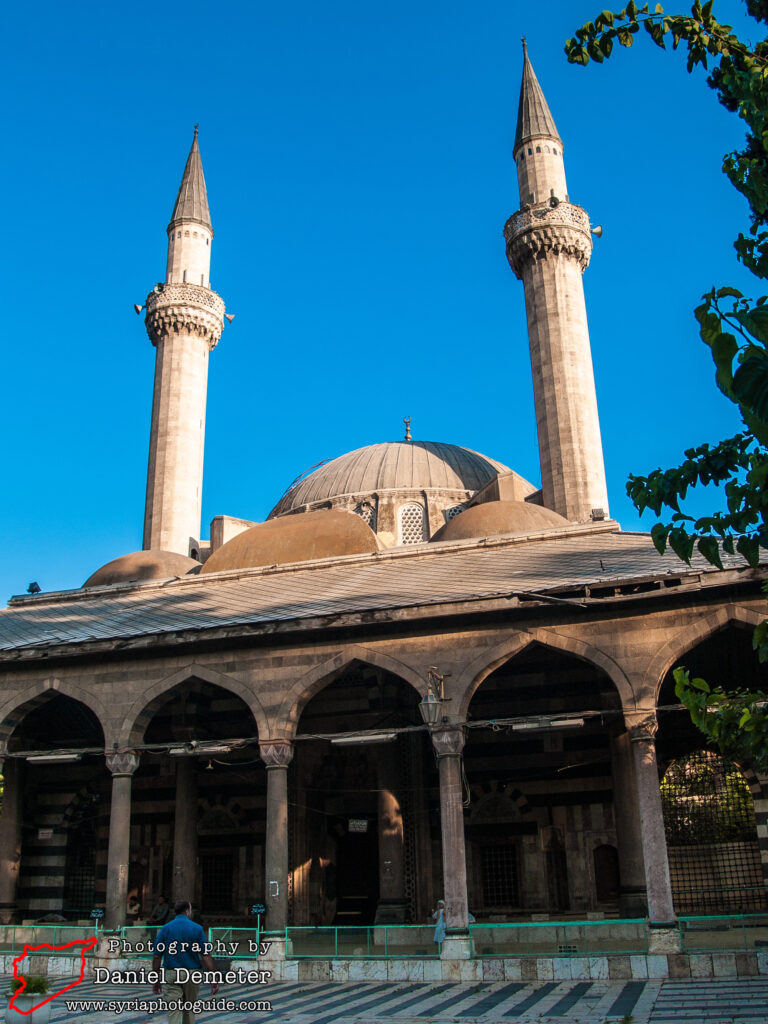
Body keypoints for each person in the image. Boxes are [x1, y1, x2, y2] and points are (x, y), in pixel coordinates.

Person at [151, 899, 219, 1024]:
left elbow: (156, 956)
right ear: (188, 911)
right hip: (191, 973)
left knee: (174, 1010)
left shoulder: (166, 929)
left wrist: (156, 979)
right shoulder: (197, 928)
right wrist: (213, 978)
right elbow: (205, 955)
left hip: (171, 973)